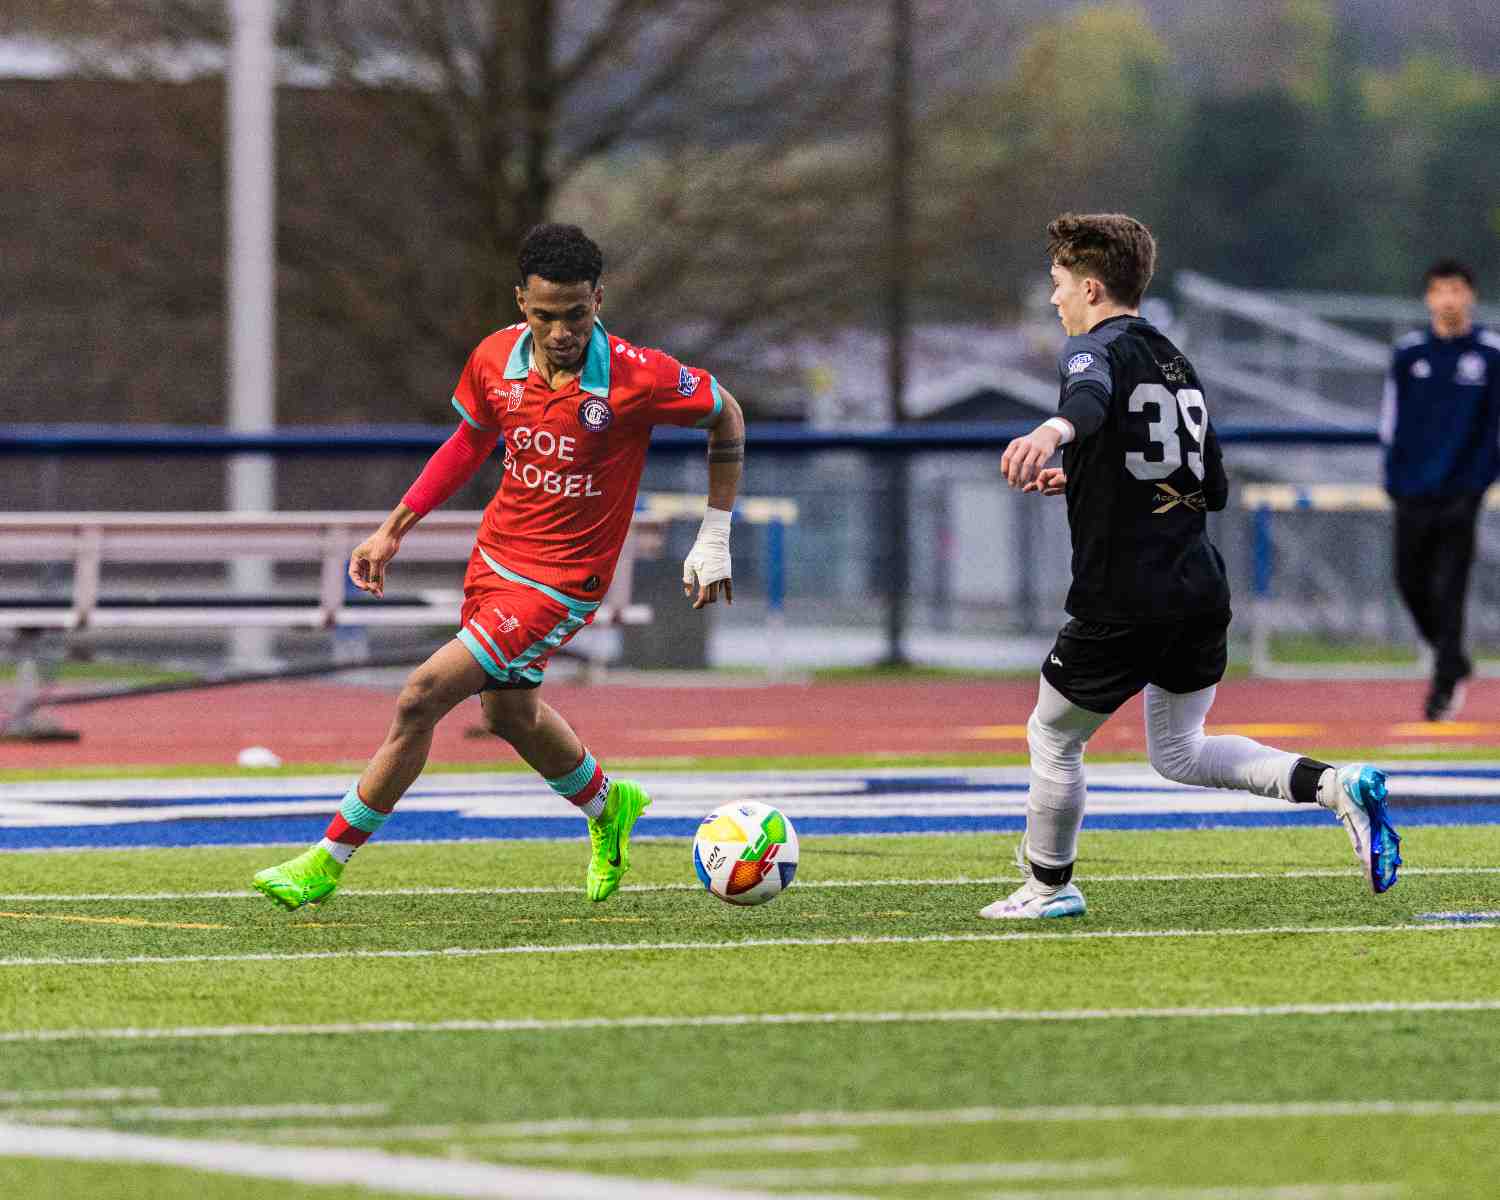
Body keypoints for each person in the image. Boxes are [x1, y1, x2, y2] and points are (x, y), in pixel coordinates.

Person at [252, 223, 745, 910]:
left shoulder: (641, 376)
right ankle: (610, 806)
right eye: (545, 315)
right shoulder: (492, 359)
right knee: (511, 714)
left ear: (598, 300)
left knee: (421, 695)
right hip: (495, 563)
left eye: (576, 314)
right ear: (521, 301)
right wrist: (392, 529)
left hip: (563, 582)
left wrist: (714, 534)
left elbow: (728, 415)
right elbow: (468, 441)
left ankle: (326, 861)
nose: (562, 330)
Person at [985, 212, 1401, 919]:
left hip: (1126, 594)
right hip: (1198, 586)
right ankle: (1336, 786)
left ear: (1090, 287)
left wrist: (1051, 433)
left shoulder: (1091, 350)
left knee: (1054, 734)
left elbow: (1085, 403)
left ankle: (1048, 887)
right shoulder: (1178, 361)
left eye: (1057, 284)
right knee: (1179, 751)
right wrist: (1088, 477)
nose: (1053, 300)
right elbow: (1213, 488)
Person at [1381, 259, 1500, 722]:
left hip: (1462, 490)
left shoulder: (1490, 354)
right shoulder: (1409, 355)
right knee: (1408, 579)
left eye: (1456, 289)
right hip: (1412, 489)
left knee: (1451, 588)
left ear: (1469, 295)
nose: (1448, 298)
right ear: (1429, 298)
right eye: (1439, 290)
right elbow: (1390, 421)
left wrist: (1481, 479)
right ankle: (1453, 657)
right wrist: (1393, 478)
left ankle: (1442, 687)